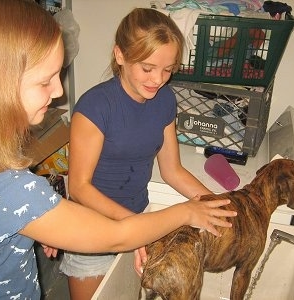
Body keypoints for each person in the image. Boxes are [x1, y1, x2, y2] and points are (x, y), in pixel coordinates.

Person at [0, 1, 237, 299]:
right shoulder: (16, 186)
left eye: (168, 69)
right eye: (45, 81)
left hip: (130, 221)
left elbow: (171, 170)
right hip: (110, 226)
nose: (60, 92)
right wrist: (185, 212)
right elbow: (104, 220)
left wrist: (42, 221)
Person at [59, 7, 236, 300]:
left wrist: (217, 204)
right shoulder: (95, 108)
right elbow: (79, 188)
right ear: (120, 56)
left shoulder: (165, 100)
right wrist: (134, 227)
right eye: (148, 68)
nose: (158, 79)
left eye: (168, 70)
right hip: (89, 226)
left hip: (137, 219)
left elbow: (172, 170)